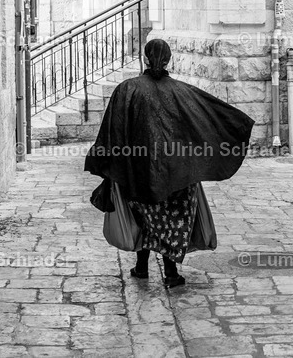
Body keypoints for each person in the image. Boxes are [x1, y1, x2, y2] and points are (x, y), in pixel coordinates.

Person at [85, 39, 254, 287]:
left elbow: (114, 130)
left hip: (138, 173)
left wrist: (108, 164)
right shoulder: (183, 93)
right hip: (177, 175)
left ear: (145, 58)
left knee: (143, 217)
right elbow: (205, 122)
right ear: (169, 60)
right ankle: (171, 272)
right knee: (170, 221)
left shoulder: (127, 90)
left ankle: (142, 267)